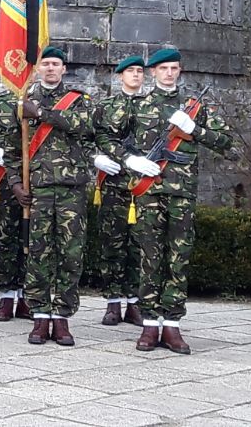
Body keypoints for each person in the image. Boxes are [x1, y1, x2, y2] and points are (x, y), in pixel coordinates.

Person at [0, 46, 94, 344]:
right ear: (37, 69)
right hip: (38, 189)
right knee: (37, 253)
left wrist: (41, 113)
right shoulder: (23, 103)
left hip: (71, 189)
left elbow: (84, 126)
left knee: (70, 254)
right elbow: (13, 150)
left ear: (64, 69)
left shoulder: (79, 101)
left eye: (56, 64)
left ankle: (62, 317)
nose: (51, 68)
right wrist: (16, 183)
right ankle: (40, 315)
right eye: (46, 64)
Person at [124, 48, 235, 354]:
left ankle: (171, 324)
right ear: (153, 72)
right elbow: (109, 139)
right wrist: (130, 160)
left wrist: (193, 129)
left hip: (182, 194)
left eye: (174, 68)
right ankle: (149, 324)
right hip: (149, 191)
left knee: (178, 258)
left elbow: (226, 142)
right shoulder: (138, 106)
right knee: (150, 257)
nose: (169, 73)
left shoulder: (194, 107)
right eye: (163, 68)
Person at [92, 54, 147, 327]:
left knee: (139, 245)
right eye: (131, 71)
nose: (136, 75)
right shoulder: (105, 107)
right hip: (114, 183)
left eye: (140, 71)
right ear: (120, 75)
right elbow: (88, 137)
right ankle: (113, 302)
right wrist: (95, 158)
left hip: (144, 184)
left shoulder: (152, 106)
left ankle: (135, 303)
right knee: (112, 244)